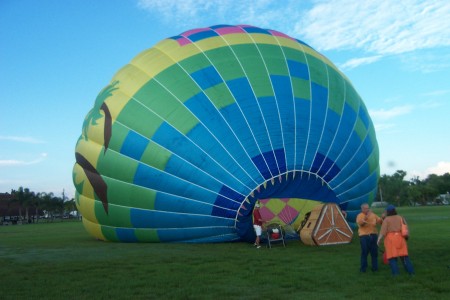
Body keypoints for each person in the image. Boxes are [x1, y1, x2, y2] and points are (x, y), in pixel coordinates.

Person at [377, 205, 415, 276]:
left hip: (390, 240)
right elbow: (405, 227)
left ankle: (396, 274)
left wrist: (378, 239)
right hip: (401, 238)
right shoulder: (400, 217)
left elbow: (383, 231)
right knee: (404, 256)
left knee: (392, 257)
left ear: (388, 211)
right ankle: (411, 272)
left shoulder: (386, 219)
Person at [356, 203, 383, 272]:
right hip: (364, 236)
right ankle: (363, 269)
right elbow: (361, 224)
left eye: (368, 208)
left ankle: (375, 268)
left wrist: (383, 218)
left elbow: (380, 221)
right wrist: (367, 216)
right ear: (362, 209)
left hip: (373, 235)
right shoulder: (360, 216)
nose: (368, 209)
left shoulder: (373, 215)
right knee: (364, 252)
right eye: (366, 208)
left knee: (374, 253)